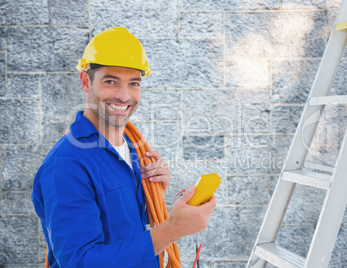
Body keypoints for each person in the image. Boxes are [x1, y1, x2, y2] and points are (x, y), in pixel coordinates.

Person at [31, 27, 216, 268]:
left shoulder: (130, 146)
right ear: (86, 81)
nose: (124, 96)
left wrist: (155, 197)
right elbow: (79, 262)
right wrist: (172, 229)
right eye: (111, 81)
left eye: (134, 83)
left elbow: (119, 222)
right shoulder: (66, 166)